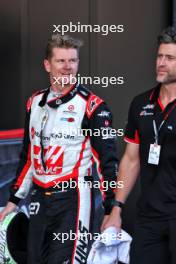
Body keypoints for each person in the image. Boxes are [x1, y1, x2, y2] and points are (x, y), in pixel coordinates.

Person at [0, 34, 118, 264]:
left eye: (72, 61)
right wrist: (14, 200)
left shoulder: (93, 106)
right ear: (47, 64)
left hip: (73, 198)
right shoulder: (34, 103)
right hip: (39, 198)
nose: (67, 67)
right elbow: (28, 158)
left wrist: (112, 209)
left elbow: (108, 163)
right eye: (61, 61)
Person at [101, 26, 176, 264]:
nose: (161, 63)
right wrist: (116, 209)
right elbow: (131, 160)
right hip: (149, 218)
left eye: (170, 58)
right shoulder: (141, 103)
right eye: (159, 56)